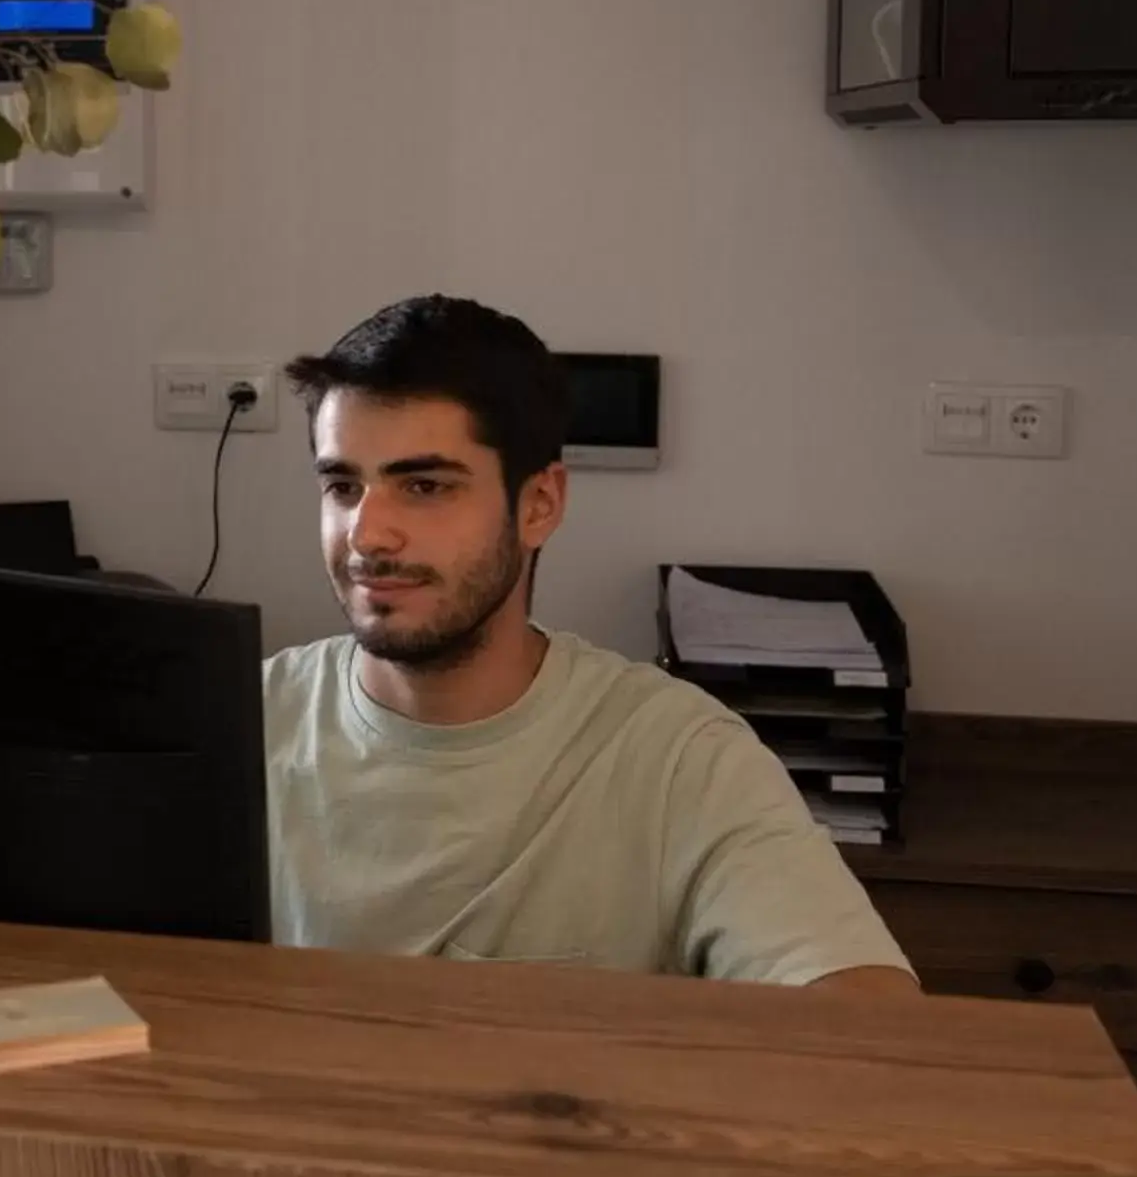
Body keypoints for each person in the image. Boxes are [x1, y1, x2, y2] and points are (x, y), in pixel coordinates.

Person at [265, 295, 914, 992]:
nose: (367, 535)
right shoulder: (245, 724)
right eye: (342, 485)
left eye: (424, 486)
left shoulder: (676, 757)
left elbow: (864, 1018)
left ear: (539, 504)